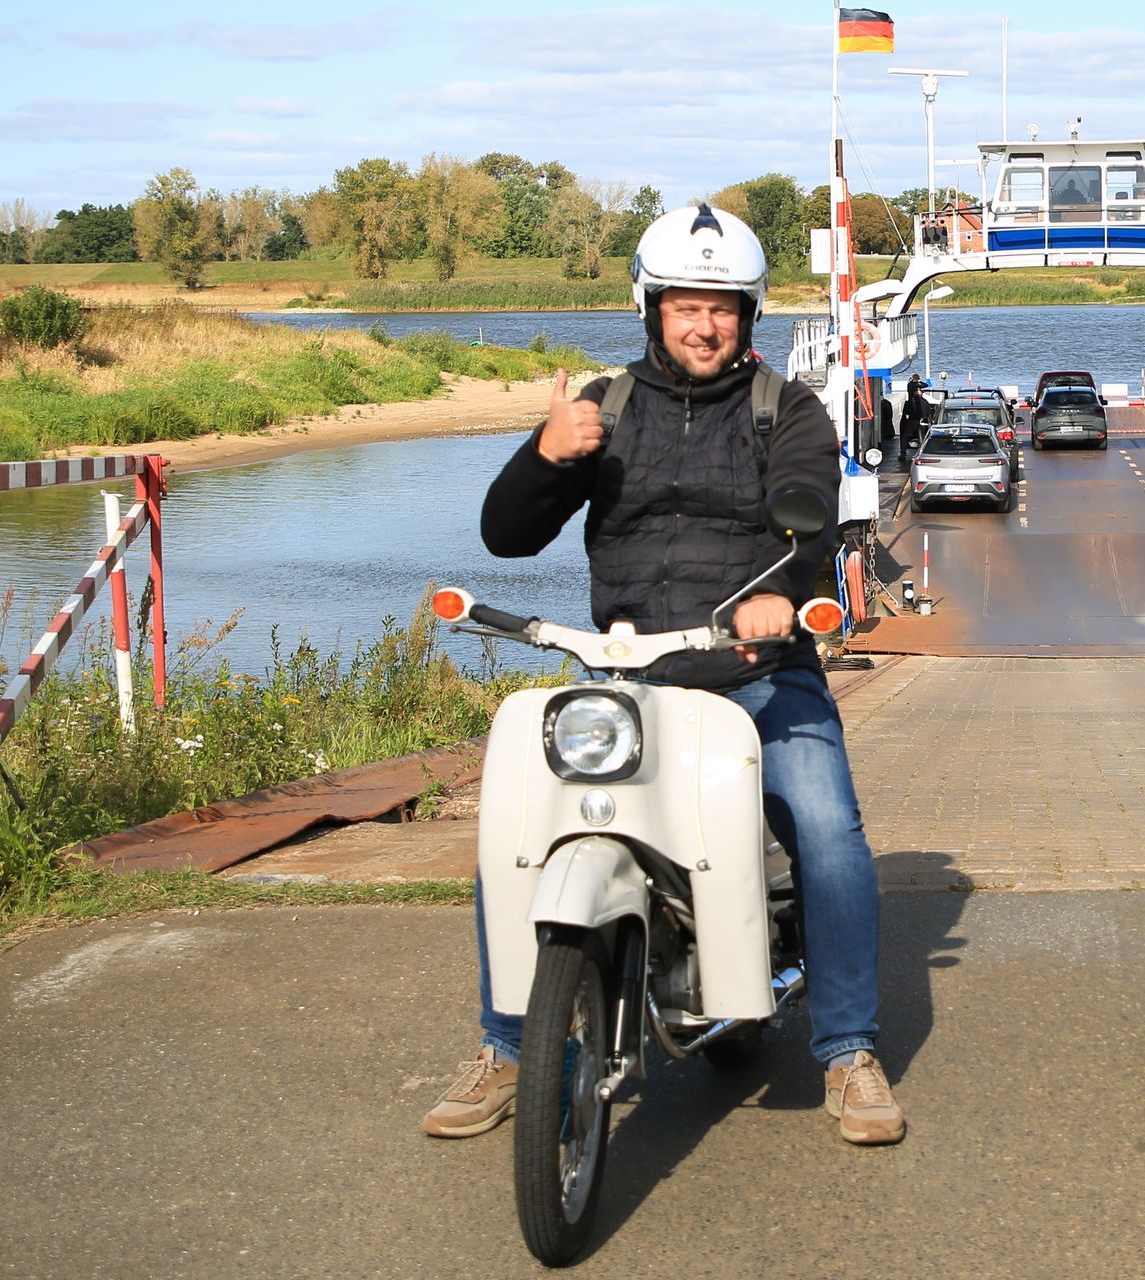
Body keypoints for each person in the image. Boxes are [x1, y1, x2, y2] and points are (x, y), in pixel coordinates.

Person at [423, 204, 905, 1147]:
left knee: (828, 831)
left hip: (755, 670)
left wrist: (782, 592)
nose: (704, 325)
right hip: (628, 678)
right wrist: (544, 456)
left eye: (722, 308)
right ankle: (507, 1045)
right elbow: (506, 536)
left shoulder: (786, 409)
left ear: (748, 314)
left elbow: (805, 504)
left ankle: (848, 1049)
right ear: (651, 308)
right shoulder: (603, 408)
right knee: (514, 828)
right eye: (686, 305)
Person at [903, 372, 928, 451]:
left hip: (913, 416)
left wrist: (916, 381)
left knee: (907, 433)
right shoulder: (912, 385)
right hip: (914, 414)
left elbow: (925, 385)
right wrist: (918, 382)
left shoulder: (911, 385)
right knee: (918, 433)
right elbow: (925, 385)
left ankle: (904, 449)